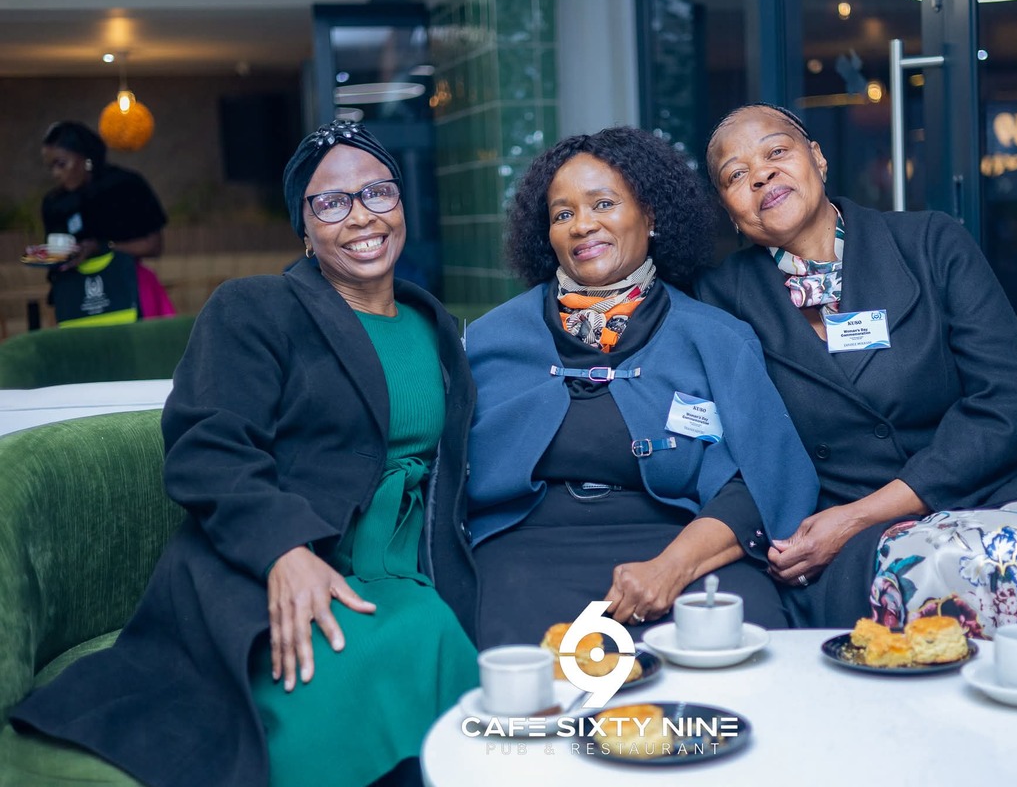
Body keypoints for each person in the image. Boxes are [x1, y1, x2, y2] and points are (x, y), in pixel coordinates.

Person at [8, 120, 478, 786]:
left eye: (378, 192)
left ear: (401, 203)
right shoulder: (257, 308)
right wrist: (283, 551)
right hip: (292, 557)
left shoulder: (436, 326)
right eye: (331, 202)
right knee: (411, 648)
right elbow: (207, 444)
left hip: (414, 558)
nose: (361, 215)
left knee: (475, 664)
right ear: (303, 228)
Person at [696, 102, 1017, 693]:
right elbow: (739, 446)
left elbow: (1005, 400)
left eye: (777, 152)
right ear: (728, 209)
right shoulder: (720, 297)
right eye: (736, 175)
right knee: (945, 571)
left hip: (979, 487)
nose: (761, 175)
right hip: (847, 537)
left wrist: (864, 514)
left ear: (818, 158)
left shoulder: (930, 242)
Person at [466, 126, 819, 649]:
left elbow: (765, 479)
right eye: (562, 215)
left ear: (650, 217)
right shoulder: (490, 340)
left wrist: (671, 568)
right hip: (525, 552)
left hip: (684, 545)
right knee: (534, 675)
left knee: (746, 653)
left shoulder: (715, 336)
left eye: (603, 204)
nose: (582, 225)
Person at [39, 120, 175, 320]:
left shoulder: (124, 185)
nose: (56, 174)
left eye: (61, 164)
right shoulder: (54, 203)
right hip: (76, 292)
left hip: (126, 285)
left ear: (85, 157)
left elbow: (153, 245)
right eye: (51, 167)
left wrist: (101, 247)